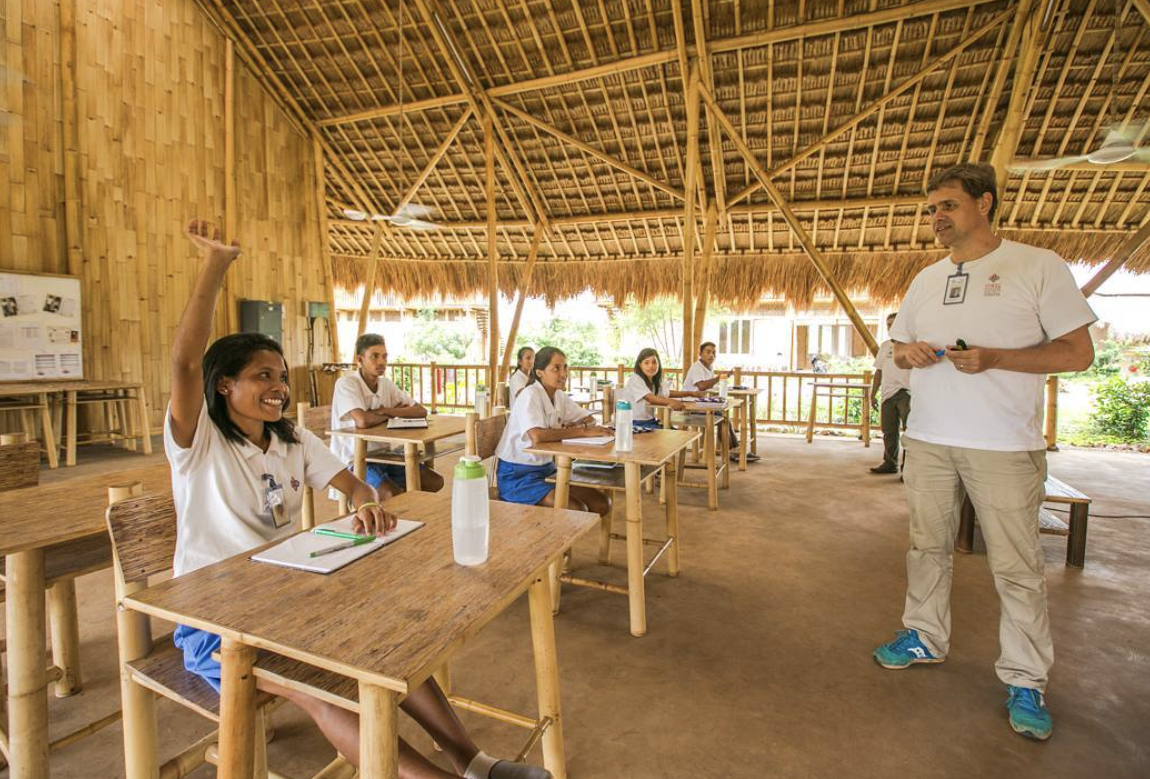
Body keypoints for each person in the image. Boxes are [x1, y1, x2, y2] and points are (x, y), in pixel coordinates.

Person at [169, 220, 551, 779]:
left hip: (287, 596)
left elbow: (351, 482)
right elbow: (183, 365)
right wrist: (215, 266)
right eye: (261, 376)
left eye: (280, 375)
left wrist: (366, 499)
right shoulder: (197, 442)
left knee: (383, 650)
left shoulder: (292, 438)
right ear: (224, 385)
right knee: (324, 690)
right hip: (216, 622)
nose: (279, 386)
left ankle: (476, 763)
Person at [871, 164, 1096, 742]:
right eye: (931, 209)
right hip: (929, 437)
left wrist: (998, 359)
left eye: (947, 205)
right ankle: (924, 634)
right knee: (926, 547)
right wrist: (909, 352)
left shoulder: (1037, 266)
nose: (937, 218)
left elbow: (1077, 354)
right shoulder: (926, 279)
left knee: (1017, 565)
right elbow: (897, 349)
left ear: (985, 203)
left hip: (1003, 444)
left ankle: (1026, 678)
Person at [495, 346, 612, 519]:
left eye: (565, 367)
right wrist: (580, 432)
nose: (563, 373)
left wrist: (577, 424)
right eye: (556, 368)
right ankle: (554, 542)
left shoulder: (559, 396)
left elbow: (588, 419)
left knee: (602, 503)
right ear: (540, 372)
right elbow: (537, 436)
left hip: (547, 471)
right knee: (576, 509)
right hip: (518, 475)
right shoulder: (530, 395)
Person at [330, 333, 444, 494]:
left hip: (384, 456)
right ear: (360, 360)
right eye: (374, 357)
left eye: (384, 356)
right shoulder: (346, 384)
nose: (381, 362)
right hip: (356, 460)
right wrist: (397, 413)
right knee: (391, 494)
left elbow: (420, 411)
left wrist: (385, 411)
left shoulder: (386, 385)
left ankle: (406, 512)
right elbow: (363, 421)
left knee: (435, 481)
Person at [681, 342, 757, 462]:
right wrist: (719, 378)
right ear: (700, 354)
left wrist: (720, 380)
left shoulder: (709, 368)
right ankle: (733, 451)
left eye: (714, 352)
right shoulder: (696, 367)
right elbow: (701, 386)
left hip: (701, 404)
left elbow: (710, 387)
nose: (711, 355)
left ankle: (734, 450)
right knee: (722, 416)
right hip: (691, 407)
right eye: (708, 352)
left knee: (724, 415)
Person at [869, 312, 911, 474]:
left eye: (894, 324)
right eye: (888, 324)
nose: (890, 327)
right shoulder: (885, 346)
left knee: (909, 433)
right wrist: (873, 393)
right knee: (889, 431)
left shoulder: (910, 345)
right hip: (887, 393)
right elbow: (879, 371)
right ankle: (890, 462)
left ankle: (907, 469)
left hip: (906, 392)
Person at [623, 348, 695, 430]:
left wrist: (691, 393)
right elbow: (651, 398)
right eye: (646, 363)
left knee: (681, 430)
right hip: (635, 423)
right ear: (640, 365)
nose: (651, 366)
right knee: (675, 435)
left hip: (651, 422)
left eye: (654, 362)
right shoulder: (635, 379)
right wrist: (671, 402)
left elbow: (668, 393)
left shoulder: (654, 380)